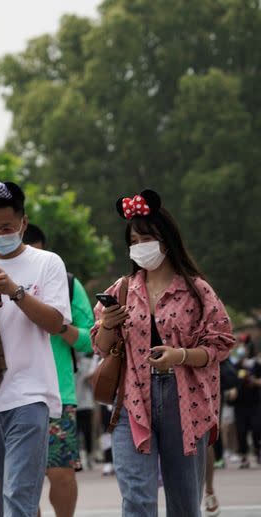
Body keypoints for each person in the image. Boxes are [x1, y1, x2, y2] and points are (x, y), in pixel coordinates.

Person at [92, 189, 234, 516]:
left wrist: (180, 356)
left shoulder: (197, 290)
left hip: (185, 400)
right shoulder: (123, 288)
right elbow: (100, 346)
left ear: (166, 240)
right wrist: (110, 324)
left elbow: (221, 342)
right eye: (134, 239)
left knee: (184, 504)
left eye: (147, 238)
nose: (140, 245)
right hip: (131, 399)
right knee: (137, 499)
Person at [0, 181, 71, 517]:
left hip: (29, 395)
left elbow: (57, 323)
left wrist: (16, 291)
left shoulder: (47, 263)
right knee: (2, 499)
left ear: (23, 223)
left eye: (7, 227)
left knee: (18, 497)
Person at [23, 223, 94, 517]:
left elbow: (91, 340)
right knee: (21, 481)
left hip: (58, 394)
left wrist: (60, 325)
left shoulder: (66, 283)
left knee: (61, 473)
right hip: (9, 393)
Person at [231, 337, 261, 469]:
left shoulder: (256, 365)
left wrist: (253, 381)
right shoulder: (235, 366)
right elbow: (230, 382)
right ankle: (243, 457)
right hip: (240, 404)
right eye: (240, 347)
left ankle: (257, 450)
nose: (242, 349)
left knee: (256, 428)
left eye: (244, 347)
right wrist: (232, 390)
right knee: (241, 431)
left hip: (255, 402)